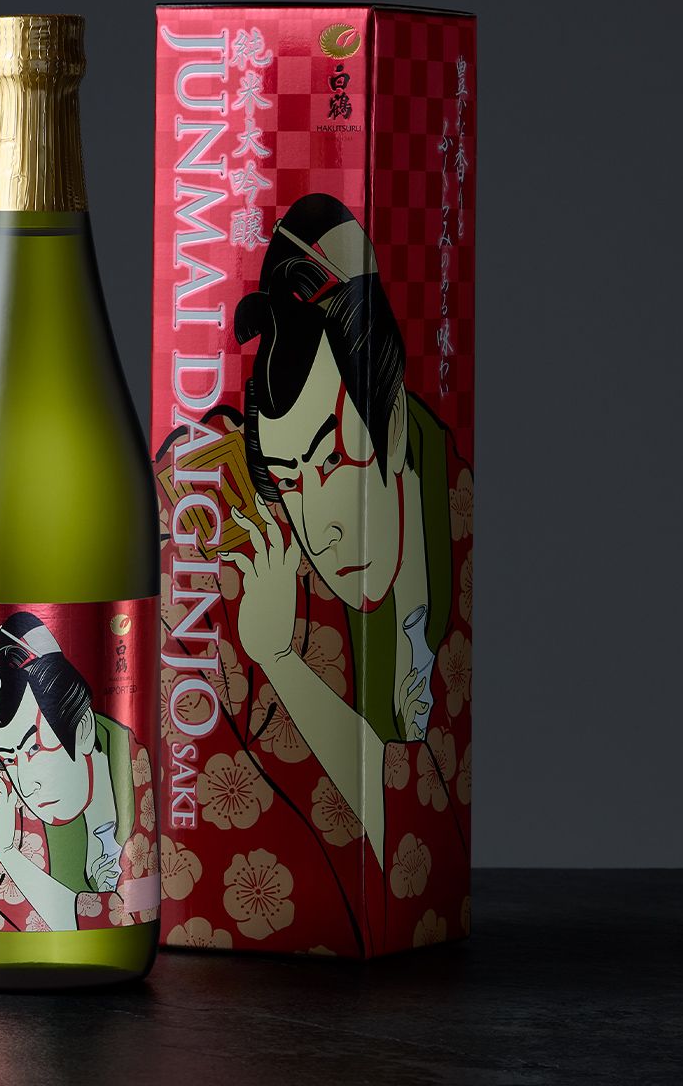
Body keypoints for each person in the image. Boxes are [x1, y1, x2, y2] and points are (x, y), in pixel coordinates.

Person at [222, 192, 471, 869]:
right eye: (289, 480)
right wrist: (275, 655)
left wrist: (282, 663)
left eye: (331, 459)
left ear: (392, 420)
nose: (318, 531)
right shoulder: (261, 558)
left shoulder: (449, 491)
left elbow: (414, 830)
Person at [0, 611, 158, 932]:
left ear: (83, 728)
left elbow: (120, 914)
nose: (26, 783)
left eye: (34, 748)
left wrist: (9, 854)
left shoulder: (131, 762)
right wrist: (3, 849)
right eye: (10, 759)